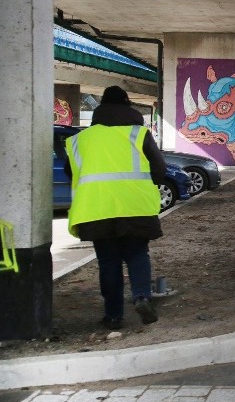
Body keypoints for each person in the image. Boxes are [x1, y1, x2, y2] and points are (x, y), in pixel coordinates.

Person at [64, 86, 166, 329]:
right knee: (137, 254)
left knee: (108, 263)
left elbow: (70, 173)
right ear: (127, 106)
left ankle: (113, 315)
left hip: (96, 210)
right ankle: (141, 296)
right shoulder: (138, 133)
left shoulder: (81, 139)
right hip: (135, 206)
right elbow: (160, 170)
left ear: (100, 109)